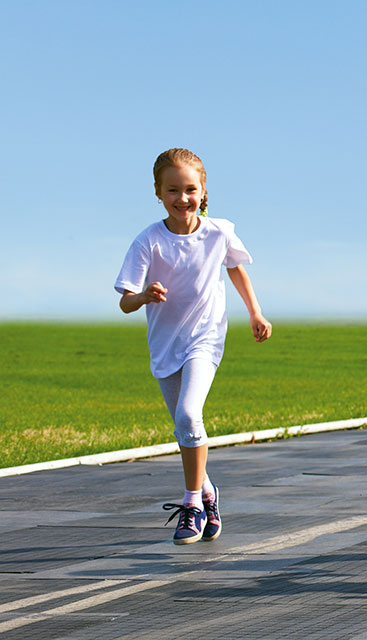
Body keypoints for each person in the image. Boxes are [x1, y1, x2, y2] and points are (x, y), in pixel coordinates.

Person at [115, 148, 272, 545]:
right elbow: (125, 301)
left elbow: (234, 267)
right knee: (185, 428)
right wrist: (145, 296)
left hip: (205, 337)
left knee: (188, 415)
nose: (182, 198)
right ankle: (207, 491)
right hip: (166, 344)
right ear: (158, 192)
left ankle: (192, 504)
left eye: (190, 189)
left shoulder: (218, 231)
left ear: (203, 191)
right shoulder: (148, 241)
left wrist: (255, 312)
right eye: (173, 190)